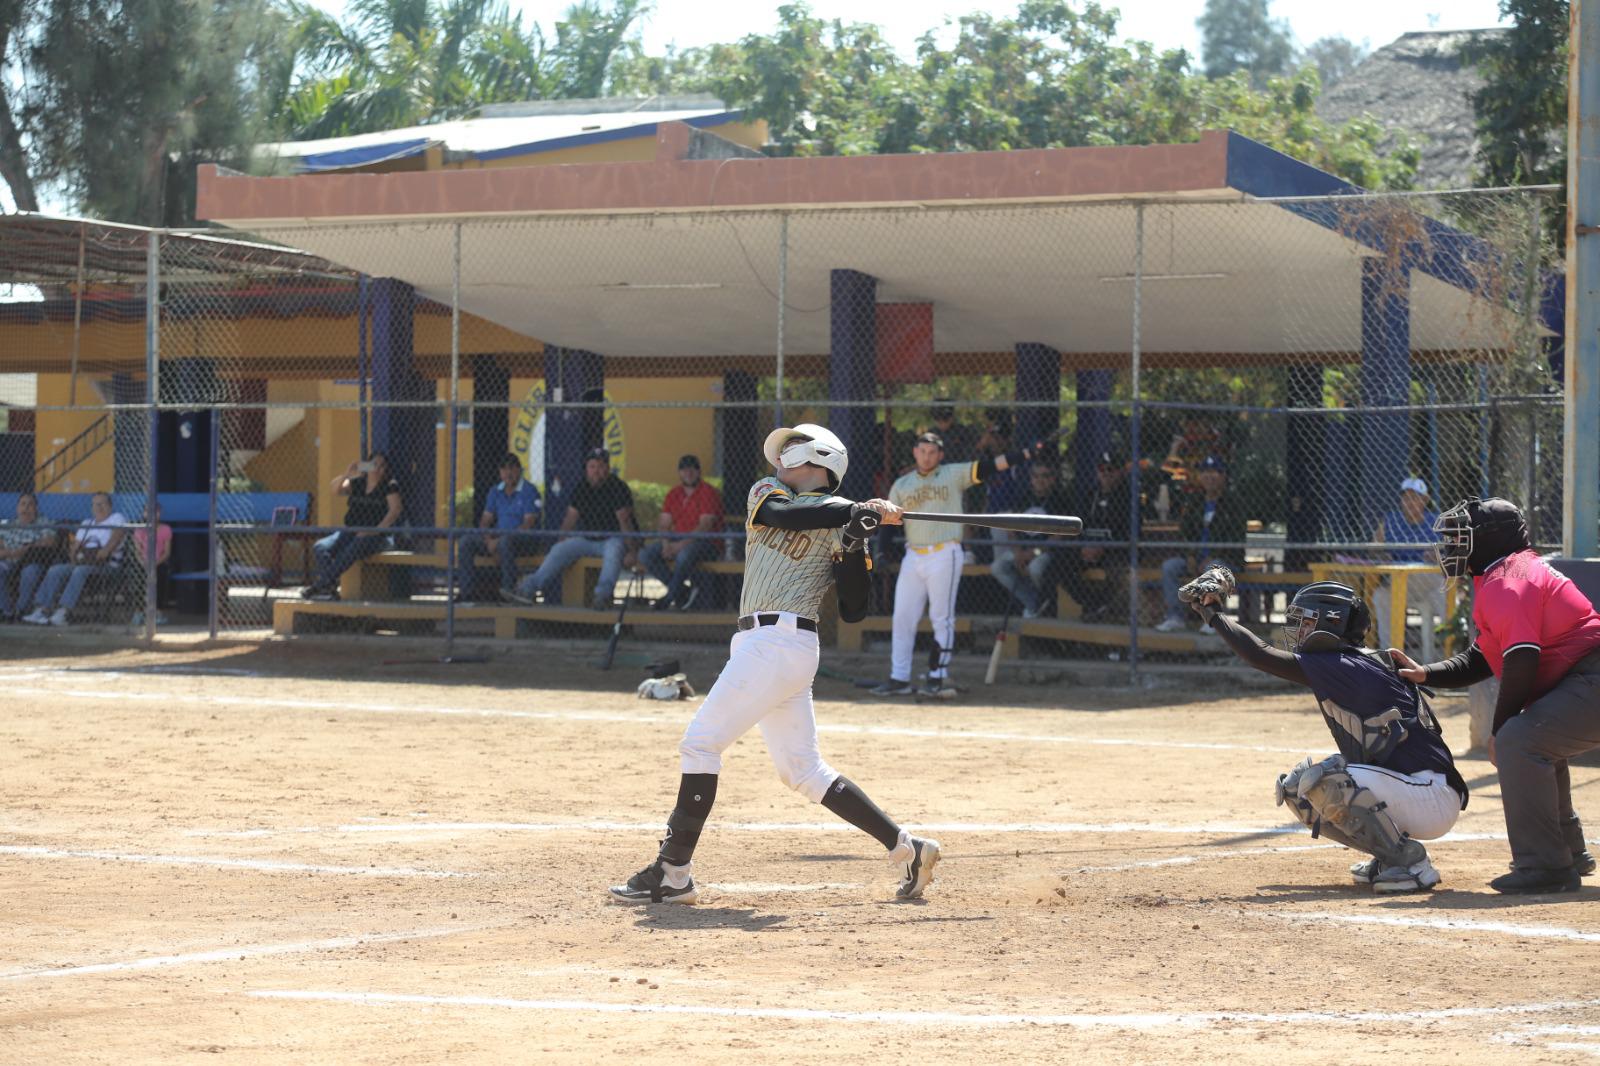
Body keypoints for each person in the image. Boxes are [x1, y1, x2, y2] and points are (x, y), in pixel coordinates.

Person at [609, 422, 942, 905]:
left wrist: (853, 542)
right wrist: (856, 510)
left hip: (782, 643)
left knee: (700, 744)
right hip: (763, 645)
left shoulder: (843, 521)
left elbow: (855, 608)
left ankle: (672, 872)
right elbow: (787, 516)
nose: (781, 456)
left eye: (792, 448)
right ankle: (908, 849)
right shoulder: (768, 493)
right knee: (802, 771)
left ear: (819, 458)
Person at [1178, 571, 1468, 892]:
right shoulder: (1347, 662)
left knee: (1324, 780)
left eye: (1305, 621)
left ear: (1332, 622)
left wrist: (1214, 614)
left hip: (1431, 794)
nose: (1297, 629)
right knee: (1296, 788)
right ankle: (1389, 854)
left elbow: (1258, 655)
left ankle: (1409, 862)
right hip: (1415, 788)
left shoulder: (1344, 664)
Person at [1391, 496, 1600, 894]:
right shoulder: (1506, 571)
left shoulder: (1507, 578)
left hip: (1592, 676)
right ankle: (1567, 852)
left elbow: (1522, 657)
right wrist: (1426, 673)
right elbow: (1483, 658)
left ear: (1491, 538)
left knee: (1519, 741)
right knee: (1533, 735)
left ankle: (1546, 866)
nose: (1451, 546)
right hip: (1586, 678)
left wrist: (1500, 729)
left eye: (1461, 537)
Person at [872, 429, 1043, 697]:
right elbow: (888, 522)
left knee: (941, 617)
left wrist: (1024, 454)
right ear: (915, 453)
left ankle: (938, 676)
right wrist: (881, 553)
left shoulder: (952, 474)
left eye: (932, 452)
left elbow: (991, 466)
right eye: (922, 451)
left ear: (940, 455)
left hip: (945, 552)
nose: (927, 457)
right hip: (913, 555)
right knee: (902, 617)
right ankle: (899, 677)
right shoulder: (902, 484)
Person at [512, 448, 637, 609]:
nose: (596, 471)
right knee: (559, 549)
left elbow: (625, 522)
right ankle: (527, 589)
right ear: (586, 468)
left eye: (600, 466)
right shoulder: (582, 487)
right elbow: (570, 518)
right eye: (592, 466)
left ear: (607, 468)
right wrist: (561, 541)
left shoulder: (618, 487)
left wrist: (632, 551)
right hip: (587, 539)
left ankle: (603, 596)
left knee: (614, 550)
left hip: (612, 539)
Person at [1156, 455, 1245, 632]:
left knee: (1213, 567)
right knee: (1169, 567)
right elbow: (1185, 534)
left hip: (1225, 560)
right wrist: (1190, 555)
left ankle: (1212, 619)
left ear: (1223, 476)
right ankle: (1175, 617)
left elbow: (1235, 538)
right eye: (1205, 472)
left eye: (1214, 472)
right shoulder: (1195, 502)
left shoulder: (1233, 503)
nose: (1209, 476)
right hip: (1196, 558)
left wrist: (1212, 555)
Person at [302, 452, 403, 600]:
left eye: (382, 466)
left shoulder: (389, 485)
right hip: (350, 531)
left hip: (378, 536)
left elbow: (395, 511)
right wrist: (346, 474)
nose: (378, 469)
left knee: (356, 544)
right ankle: (329, 587)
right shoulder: (358, 483)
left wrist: (374, 531)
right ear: (367, 466)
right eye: (374, 464)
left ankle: (320, 585)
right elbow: (335, 490)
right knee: (320, 547)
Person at [24, 491, 129, 627]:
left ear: (110, 506)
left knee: (79, 571)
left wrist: (106, 550)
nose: (98, 507)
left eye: (102, 504)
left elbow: (117, 536)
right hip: (85, 562)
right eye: (95, 504)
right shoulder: (87, 523)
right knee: (56, 570)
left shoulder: (116, 518)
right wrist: (74, 555)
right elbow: (75, 547)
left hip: (107, 565)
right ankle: (42, 610)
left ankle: (63, 612)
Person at [1371, 478, 1447, 657]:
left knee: (1446, 599)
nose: (1410, 502)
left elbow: (1455, 553)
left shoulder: (1438, 522)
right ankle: (1390, 655)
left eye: (1415, 497)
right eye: (1406, 497)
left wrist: (1439, 556)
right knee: (1380, 596)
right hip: (1400, 582)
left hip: (1430, 581)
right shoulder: (1391, 520)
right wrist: (1382, 554)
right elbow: (1373, 547)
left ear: (1425, 500)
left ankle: (1455, 654)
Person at [454, 453, 541, 602]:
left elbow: (528, 524)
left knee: (505, 542)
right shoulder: (495, 491)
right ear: (500, 472)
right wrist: (488, 540)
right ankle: (466, 593)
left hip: (523, 541)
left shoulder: (529, 490)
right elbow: (485, 521)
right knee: (465, 542)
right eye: (504, 469)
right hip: (496, 541)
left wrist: (498, 542)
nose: (508, 473)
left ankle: (509, 592)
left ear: (519, 470)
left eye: (511, 468)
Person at [991, 461, 1072, 620]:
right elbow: (1011, 530)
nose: (1040, 480)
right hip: (1022, 551)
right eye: (1036, 476)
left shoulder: (1060, 501)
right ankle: (1033, 604)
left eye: (1045, 476)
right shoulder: (1023, 499)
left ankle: (1046, 604)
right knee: (998, 567)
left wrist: (1033, 553)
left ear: (1053, 478)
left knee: (1035, 568)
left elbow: (1058, 536)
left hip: (1046, 552)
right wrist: (1018, 552)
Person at [642, 454, 723, 611]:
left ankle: (669, 598)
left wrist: (679, 546)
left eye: (692, 470)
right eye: (684, 470)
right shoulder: (674, 493)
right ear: (679, 472)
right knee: (645, 554)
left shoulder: (708, 492)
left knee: (684, 555)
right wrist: (666, 544)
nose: (688, 473)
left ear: (699, 472)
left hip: (707, 542)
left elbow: (705, 526)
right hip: (677, 540)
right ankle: (682, 592)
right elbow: (664, 524)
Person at [1058, 451, 1132, 623]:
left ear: (1121, 471)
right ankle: (1094, 605)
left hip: (1114, 551)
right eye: (1102, 469)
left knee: (1118, 571)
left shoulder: (1129, 497)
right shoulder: (1090, 496)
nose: (1106, 473)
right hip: (1087, 549)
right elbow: (1077, 526)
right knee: (1059, 563)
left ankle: (1108, 610)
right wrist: (1083, 547)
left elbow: (1129, 533)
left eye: (1111, 469)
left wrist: (1104, 547)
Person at [0, 492, 57, 622]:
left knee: (30, 571)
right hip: (10, 560)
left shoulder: (44, 522)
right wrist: (11, 552)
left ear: (36, 508)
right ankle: (6, 611)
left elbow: (49, 541)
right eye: (23, 504)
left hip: (31, 560)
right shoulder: (8, 525)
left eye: (30, 504)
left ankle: (21, 610)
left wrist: (27, 549)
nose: (26, 508)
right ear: (17, 508)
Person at [129, 501, 173, 627]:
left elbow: (167, 552)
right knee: (137, 577)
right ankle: (139, 612)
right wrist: (143, 562)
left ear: (159, 513)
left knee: (161, 577)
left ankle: (158, 612)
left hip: (159, 562)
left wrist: (155, 563)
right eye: (148, 511)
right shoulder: (139, 530)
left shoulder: (165, 529)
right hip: (143, 563)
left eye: (155, 512)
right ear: (144, 513)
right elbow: (137, 551)